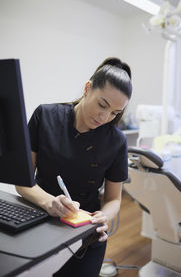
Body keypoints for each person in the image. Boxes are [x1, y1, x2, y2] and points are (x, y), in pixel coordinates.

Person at [16, 57, 133, 277]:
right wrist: (49, 202)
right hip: (38, 220)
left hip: (85, 229)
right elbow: (24, 182)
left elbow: (114, 199)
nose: (104, 117)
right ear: (88, 88)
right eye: (102, 105)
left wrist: (104, 217)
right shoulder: (46, 116)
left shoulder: (116, 141)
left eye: (115, 113)